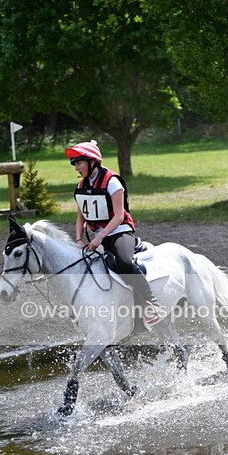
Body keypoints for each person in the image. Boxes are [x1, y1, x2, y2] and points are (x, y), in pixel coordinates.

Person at [65, 139, 161, 329]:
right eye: (74, 163)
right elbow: (80, 218)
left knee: (124, 262)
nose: (76, 167)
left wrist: (100, 237)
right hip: (98, 235)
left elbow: (118, 216)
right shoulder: (81, 187)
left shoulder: (112, 182)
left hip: (119, 231)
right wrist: (77, 240)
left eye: (79, 162)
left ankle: (151, 302)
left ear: (92, 161)